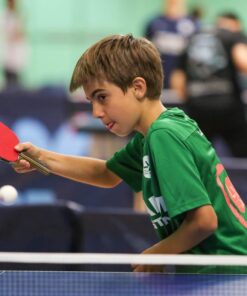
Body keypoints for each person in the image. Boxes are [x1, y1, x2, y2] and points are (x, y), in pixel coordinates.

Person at [12, 34, 247, 273]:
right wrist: (42, 158)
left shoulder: (163, 135)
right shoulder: (157, 132)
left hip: (225, 276)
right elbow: (106, 174)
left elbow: (204, 222)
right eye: (91, 100)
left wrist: (156, 254)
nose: (96, 112)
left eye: (102, 97)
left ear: (138, 87)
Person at [171, 13, 247, 157]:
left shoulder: (192, 38)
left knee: (197, 159)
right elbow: (243, 61)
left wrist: (193, 99)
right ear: (235, 25)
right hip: (228, 107)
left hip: (198, 108)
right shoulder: (233, 36)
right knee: (242, 157)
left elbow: (177, 80)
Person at [144, 0, 199, 89]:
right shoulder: (153, 23)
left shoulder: (194, 25)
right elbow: (144, 55)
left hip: (184, 87)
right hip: (157, 83)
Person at [0, 0, 28, 88]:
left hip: (16, 55)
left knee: (16, 79)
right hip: (8, 53)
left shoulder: (17, 15)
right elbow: (7, 33)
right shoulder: (4, 16)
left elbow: (21, 34)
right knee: (9, 79)